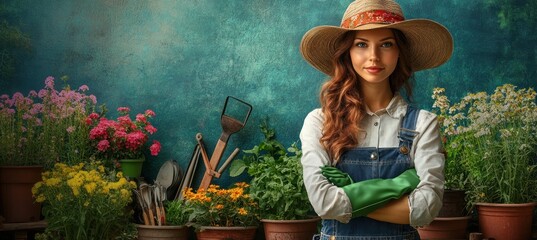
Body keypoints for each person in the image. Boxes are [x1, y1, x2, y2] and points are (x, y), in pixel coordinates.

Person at [299, 0, 453, 239]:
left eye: (386, 44)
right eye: (361, 44)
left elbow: (426, 209)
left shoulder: (423, 124)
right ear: (347, 52)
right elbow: (323, 203)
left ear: (399, 51)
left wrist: (349, 193)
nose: (373, 56)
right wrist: (400, 185)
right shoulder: (320, 122)